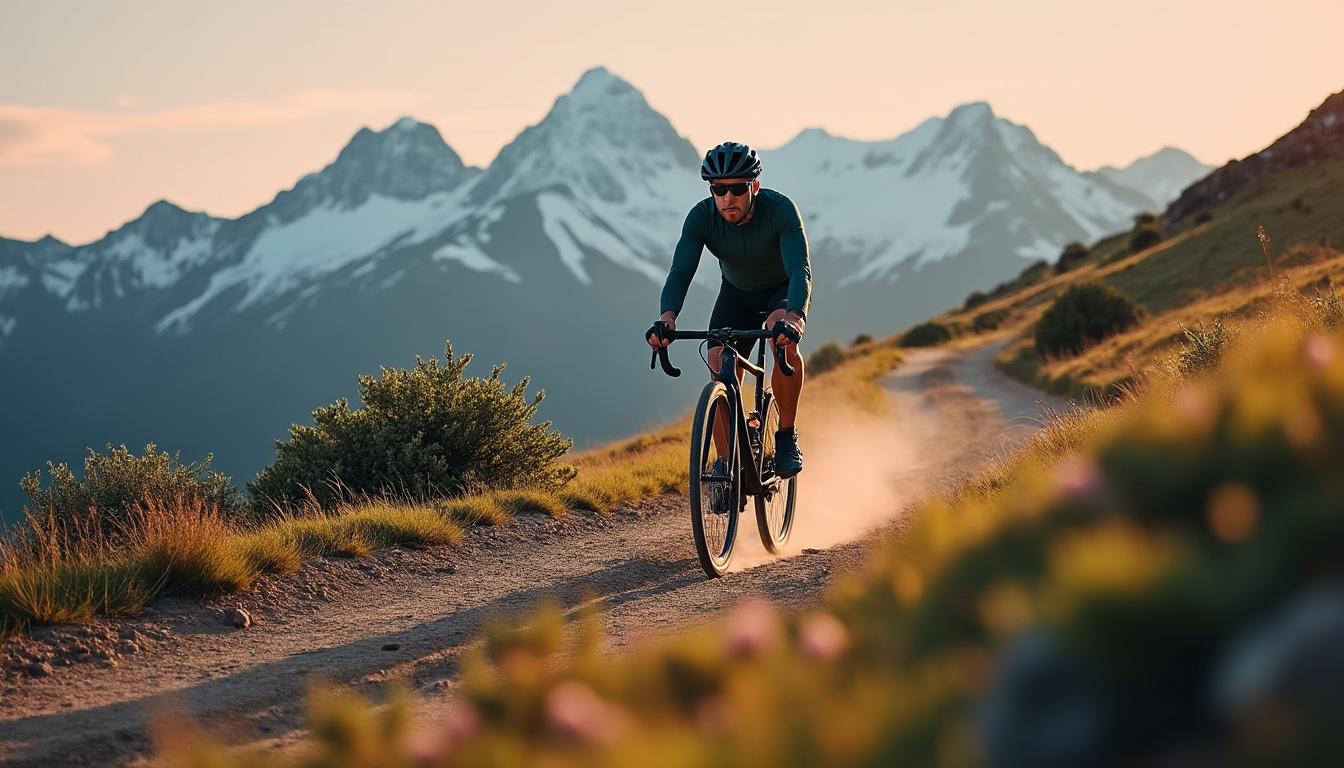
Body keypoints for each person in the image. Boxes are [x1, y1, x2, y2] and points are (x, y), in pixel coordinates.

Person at [646, 140, 812, 479]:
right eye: (719, 190)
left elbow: (800, 269)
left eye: (737, 188)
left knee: (783, 340)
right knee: (719, 360)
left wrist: (795, 318)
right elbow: (680, 273)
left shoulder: (780, 210)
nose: (727, 198)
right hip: (736, 294)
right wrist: (666, 318)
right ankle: (726, 464)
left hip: (780, 291)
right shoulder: (701, 218)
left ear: (754, 186)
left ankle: (785, 437)